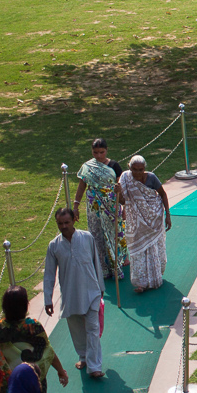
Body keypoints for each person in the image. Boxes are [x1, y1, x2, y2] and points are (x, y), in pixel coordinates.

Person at [44, 208, 105, 379]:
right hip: (70, 295)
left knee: (93, 329)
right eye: (60, 223)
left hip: (91, 292)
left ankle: (94, 367)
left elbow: (96, 263)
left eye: (67, 222)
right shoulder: (54, 246)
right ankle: (84, 357)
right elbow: (49, 274)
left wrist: (100, 287)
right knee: (77, 330)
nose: (63, 226)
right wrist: (47, 299)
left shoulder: (87, 238)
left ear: (74, 221)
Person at [0, 285, 67, 393]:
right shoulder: (34, 326)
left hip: (10, 388)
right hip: (34, 384)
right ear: (25, 306)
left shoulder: (0, 328)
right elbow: (48, 352)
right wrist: (61, 371)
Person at [71, 138, 123, 285]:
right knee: (96, 235)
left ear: (107, 151)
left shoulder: (114, 166)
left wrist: (122, 202)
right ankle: (102, 267)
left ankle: (115, 266)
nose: (99, 156)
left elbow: (121, 187)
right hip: (94, 208)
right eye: (95, 152)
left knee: (113, 235)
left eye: (102, 152)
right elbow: (81, 187)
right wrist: (75, 206)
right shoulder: (87, 167)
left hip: (111, 207)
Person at [117, 155, 170, 293]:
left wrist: (167, 216)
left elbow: (163, 194)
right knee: (139, 251)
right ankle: (141, 283)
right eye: (135, 169)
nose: (138, 173)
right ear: (130, 168)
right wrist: (118, 193)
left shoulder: (152, 178)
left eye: (141, 170)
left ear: (144, 169)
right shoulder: (126, 179)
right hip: (137, 223)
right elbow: (123, 201)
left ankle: (156, 275)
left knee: (156, 248)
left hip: (154, 219)